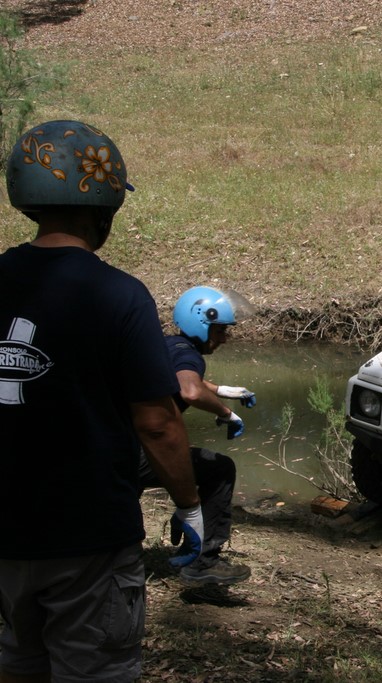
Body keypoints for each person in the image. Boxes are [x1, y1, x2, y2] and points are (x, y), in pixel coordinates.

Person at [0, 120, 203, 682]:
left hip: (6, 535)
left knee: (18, 661)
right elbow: (157, 423)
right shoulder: (120, 295)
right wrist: (188, 504)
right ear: (105, 209)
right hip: (88, 535)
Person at [138, 285, 257, 586]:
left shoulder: (169, 344)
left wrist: (223, 390)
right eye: (220, 330)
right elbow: (189, 389)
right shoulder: (188, 354)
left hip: (114, 446)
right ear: (201, 324)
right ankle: (205, 563)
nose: (225, 338)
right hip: (139, 451)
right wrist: (225, 413)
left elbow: (186, 377)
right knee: (220, 469)